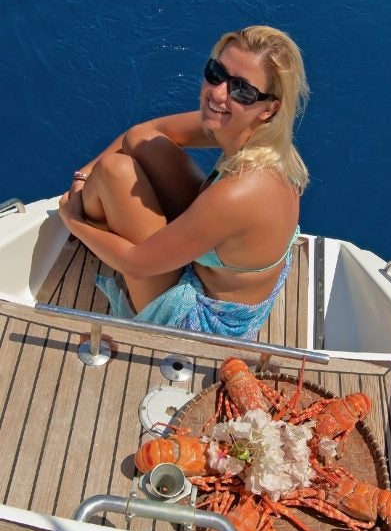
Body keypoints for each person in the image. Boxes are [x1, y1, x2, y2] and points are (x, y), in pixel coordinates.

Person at [58, 25, 309, 339]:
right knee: (140, 141)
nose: (218, 93)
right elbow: (148, 129)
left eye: (241, 90)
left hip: (207, 321)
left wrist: (74, 219)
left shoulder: (240, 192)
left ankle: (96, 233)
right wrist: (82, 174)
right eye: (216, 73)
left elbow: (135, 265)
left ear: (270, 108)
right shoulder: (258, 137)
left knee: (113, 173)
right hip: (221, 269)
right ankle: (98, 218)